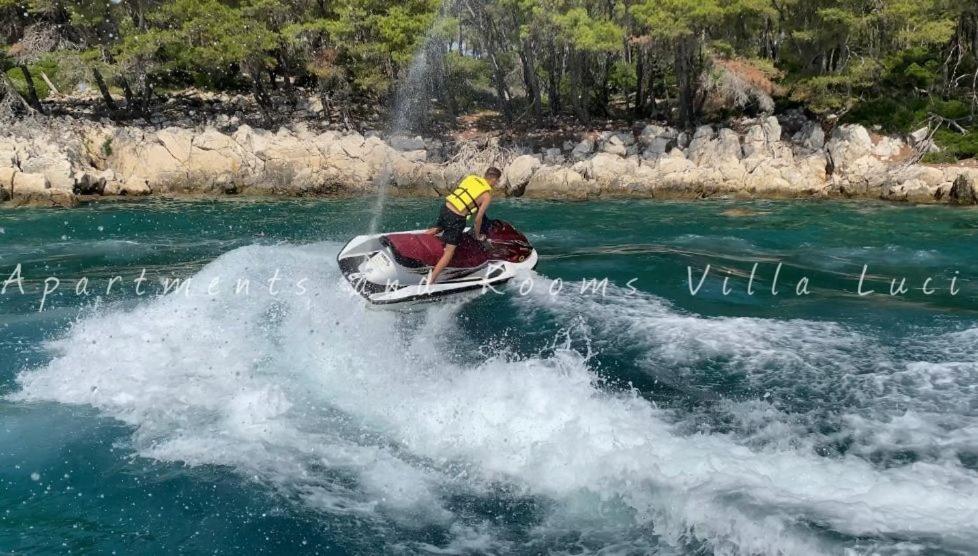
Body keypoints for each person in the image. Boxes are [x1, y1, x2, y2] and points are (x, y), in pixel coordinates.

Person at [424, 167, 502, 284]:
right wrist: (477, 235)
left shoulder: (472, 178)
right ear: (494, 179)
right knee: (449, 253)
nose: (497, 183)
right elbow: (478, 219)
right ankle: (429, 282)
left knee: (437, 228)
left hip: (446, 208)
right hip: (456, 218)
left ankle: (414, 240)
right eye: (497, 181)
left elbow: (466, 198)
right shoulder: (486, 196)